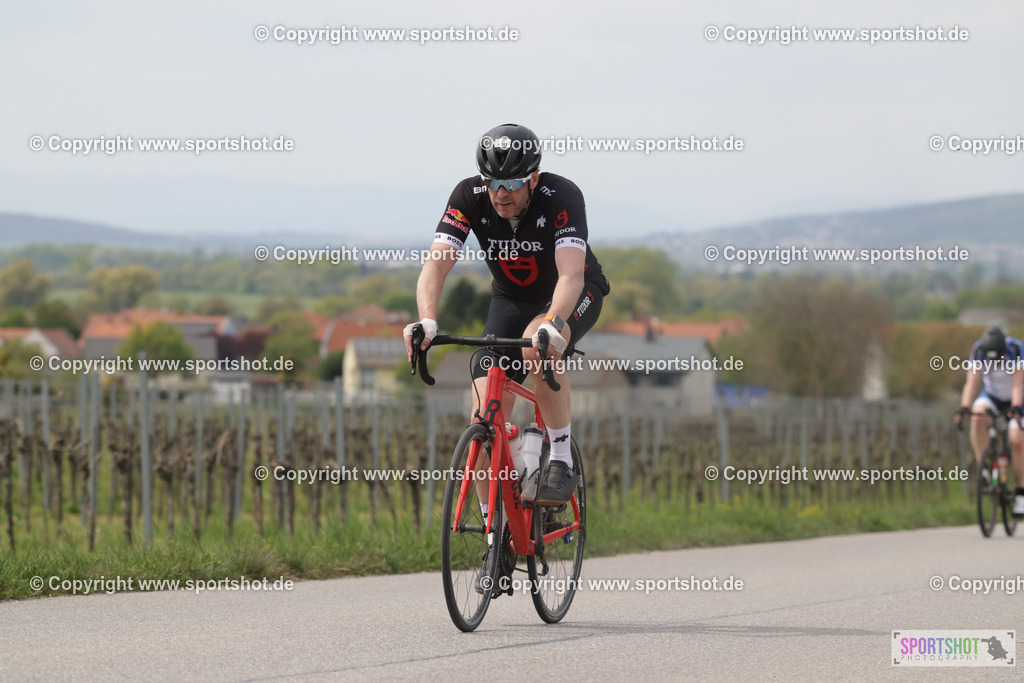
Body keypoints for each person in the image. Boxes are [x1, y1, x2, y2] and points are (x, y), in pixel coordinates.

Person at [403, 122, 610, 507]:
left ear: (533, 178)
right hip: (510, 298)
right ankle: (493, 536)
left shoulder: (561, 194)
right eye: (492, 182)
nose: (500, 193)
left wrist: (552, 324)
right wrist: (427, 319)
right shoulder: (469, 195)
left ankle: (561, 458)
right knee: (483, 419)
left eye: (512, 184)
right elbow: (435, 266)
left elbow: (570, 274)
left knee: (537, 345)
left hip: (574, 291)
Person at [955, 325, 1024, 516]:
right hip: (992, 396)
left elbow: (1018, 384)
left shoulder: (1016, 349)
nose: (996, 362)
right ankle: (984, 467)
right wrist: (964, 408)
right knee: (977, 418)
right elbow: (972, 382)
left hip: (1017, 399)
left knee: (1017, 440)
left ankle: (1021, 492)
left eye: (999, 359)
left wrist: (1016, 408)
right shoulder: (979, 350)